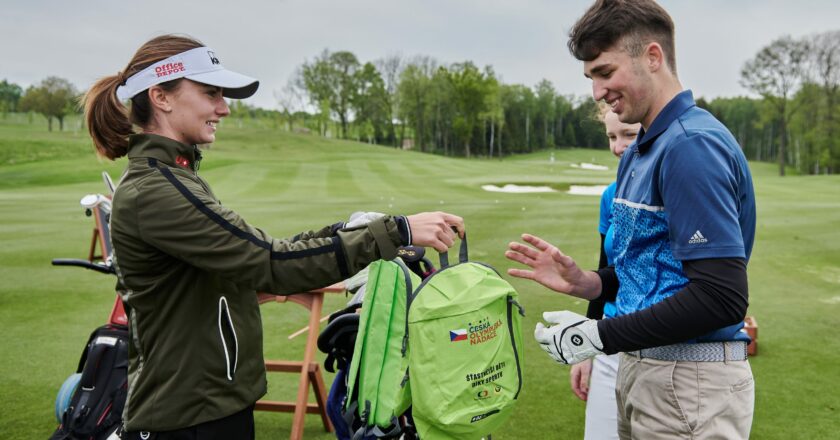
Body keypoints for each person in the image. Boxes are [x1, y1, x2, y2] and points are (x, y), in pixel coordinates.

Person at [82, 34, 464, 440]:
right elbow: (271, 263)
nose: (223, 108)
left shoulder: (177, 179)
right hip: (188, 416)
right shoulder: (157, 191)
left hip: (208, 407)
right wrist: (396, 231)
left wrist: (348, 232)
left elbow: (253, 253)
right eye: (211, 93)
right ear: (161, 96)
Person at [505, 1, 756, 438]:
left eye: (605, 72)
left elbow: (721, 297)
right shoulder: (641, 150)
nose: (597, 92)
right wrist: (589, 284)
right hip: (645, 370)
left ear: (653, 58)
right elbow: (651, 274)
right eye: (591, 78)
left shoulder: (690, 145)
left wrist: (598, 335)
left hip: (689, 381)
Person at [569, 106, 639, 440]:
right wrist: (587, 346)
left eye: (628, 134)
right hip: (610, 341)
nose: (617, 146)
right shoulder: (610, 197)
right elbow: (605, 274)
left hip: (655, 346)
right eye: (612, 136)